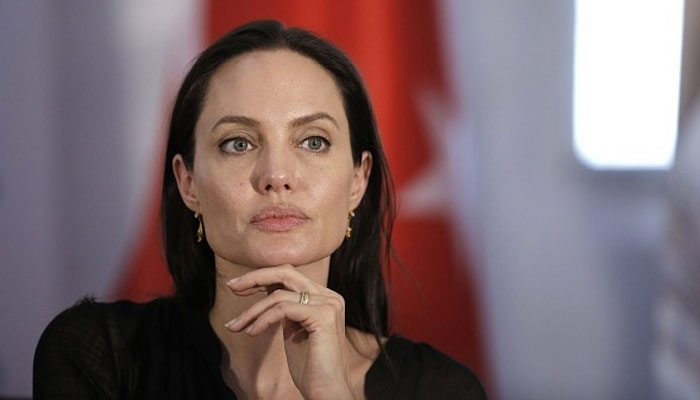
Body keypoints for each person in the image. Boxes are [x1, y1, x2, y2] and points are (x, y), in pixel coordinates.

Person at [33, 20, 486, 399]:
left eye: (313, 142)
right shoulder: (99, 354)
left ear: (358, 180)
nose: (277, 175)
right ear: (188, 183)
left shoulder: (443, 389)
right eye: (238, 143)